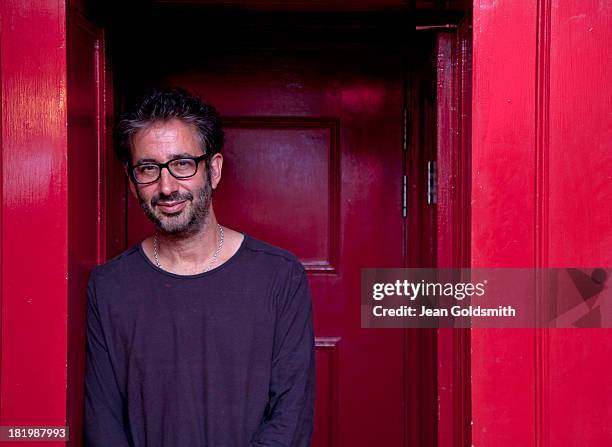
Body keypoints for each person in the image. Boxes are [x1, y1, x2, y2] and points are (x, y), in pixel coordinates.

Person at [83, 88, 316, 446]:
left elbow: (290, 418)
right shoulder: (109, 286)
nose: (166, 186)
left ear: (214, 169)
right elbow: (104, 425)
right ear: (132, 183)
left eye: (182, 164)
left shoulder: (279, 277)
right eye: (148, 168)